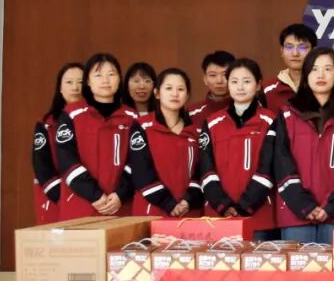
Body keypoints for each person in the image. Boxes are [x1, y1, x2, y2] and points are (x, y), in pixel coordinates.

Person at [273, 48, 334, 243]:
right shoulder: (287, 114)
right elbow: (281, 161)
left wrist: (332, 205)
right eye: (314, 69)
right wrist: (304, 204)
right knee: (299, 263)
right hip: (295, 213)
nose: (321, 75)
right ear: (306, 75)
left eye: (327, 69)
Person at [197, 58, 279, 241]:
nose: (240, 87)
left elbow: (269, 167)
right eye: (234, 81)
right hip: (218, 216)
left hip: (260, 217)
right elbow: (205, 168)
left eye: (246, 81)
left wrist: (244, 206)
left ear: (258, 85)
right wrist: (223, 205)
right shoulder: (212, 122)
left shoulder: (271, 121)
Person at [54, 53, 136, 219]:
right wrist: (94, 195)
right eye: (98, 75)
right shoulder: (71, 115)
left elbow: (137, 160)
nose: (105, 80)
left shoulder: (132, 117)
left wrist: (120, 194)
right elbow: (66, 159)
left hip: (120, 207)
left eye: (111, 74)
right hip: (80, 206)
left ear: (119, 79)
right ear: (88, 81)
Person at [128, 68, 204, 217]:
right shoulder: (142, 127)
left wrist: (188, 200)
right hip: (152, 212)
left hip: (188, 214)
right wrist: (169, 203)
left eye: (180, 89)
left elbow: (200, 172)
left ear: (187, 95)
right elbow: (141, 171)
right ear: (157, 93)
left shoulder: (196, 132)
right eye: (169, 88)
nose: (175, 94)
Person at [31, 62, 84, 224]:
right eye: (69, 82)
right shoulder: (46, 124)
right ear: (60, 88)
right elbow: (42, 168)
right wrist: (65, 198)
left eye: (81, 82)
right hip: (58, 202)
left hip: (95, 200)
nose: (75, 87)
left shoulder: (98, 122)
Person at [262, 24, 318, 114]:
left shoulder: (323, 85)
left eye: (302, 47)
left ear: (314, 51)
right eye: (289, 47)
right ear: (282, 51)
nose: (295, 53)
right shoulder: (267, 90)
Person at [187, 50, 234, 122]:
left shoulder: (246, 112)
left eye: (225, 75)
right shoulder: (191, 113)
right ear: (205, 79)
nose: (219, 81)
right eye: (213, 75)